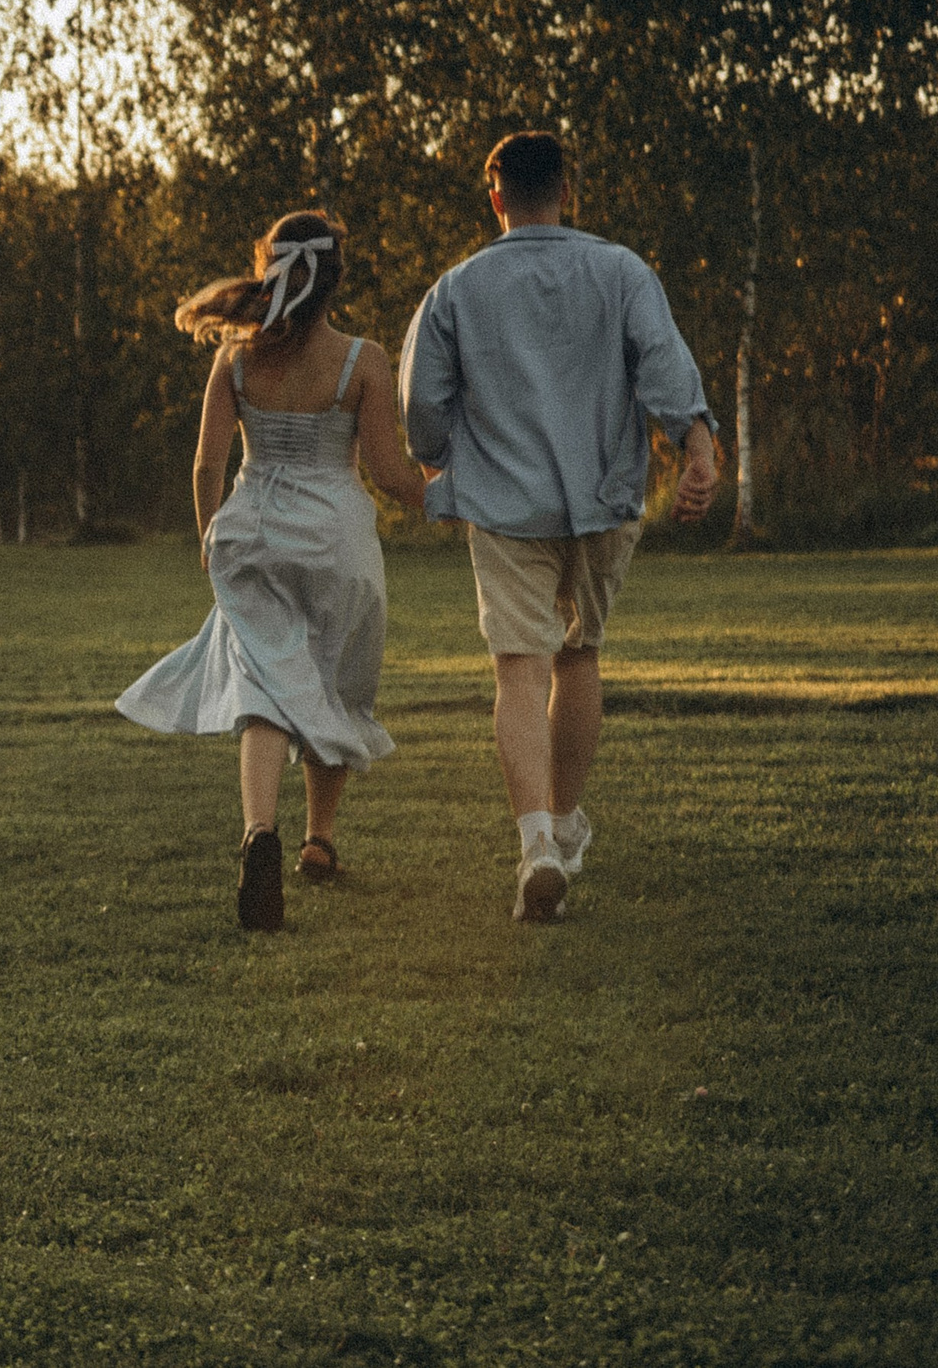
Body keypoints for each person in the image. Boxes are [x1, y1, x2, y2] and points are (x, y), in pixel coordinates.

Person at [401, 132, 717, 923]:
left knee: (519, 670)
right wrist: (698, 447)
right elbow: (665, 364)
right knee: (579, 656)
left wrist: (440, 457)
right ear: (566, 190)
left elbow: (420, 407)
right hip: (603, 499)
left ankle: (538, 841)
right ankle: (567, 823)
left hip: (506, 506)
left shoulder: (457, 288)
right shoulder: (620, 270)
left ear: (496, 195)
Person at [118, 212, 432, 932]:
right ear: (336, 279)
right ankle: (319, 838)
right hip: (337, 541)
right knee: (335, 681)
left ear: (268, 268)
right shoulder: (365, 359)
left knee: (262, 684)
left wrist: (208, 534)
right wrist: (451, 494)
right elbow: (387, 473)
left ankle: (260, 831)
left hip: (252, 531)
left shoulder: (233, 360)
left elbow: (207, 462)